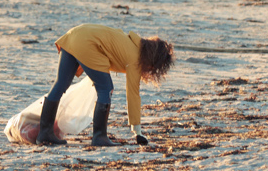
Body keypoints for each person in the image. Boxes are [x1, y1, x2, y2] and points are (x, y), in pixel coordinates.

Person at [37, 25, 174, 147]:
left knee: (60, 84)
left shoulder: (130, 42)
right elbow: (133, 94)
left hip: (74, 35)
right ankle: (99, 136)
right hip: (87, 43)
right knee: (105, 88)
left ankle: (45, 133)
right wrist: (137, 132)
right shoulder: (136, 59)